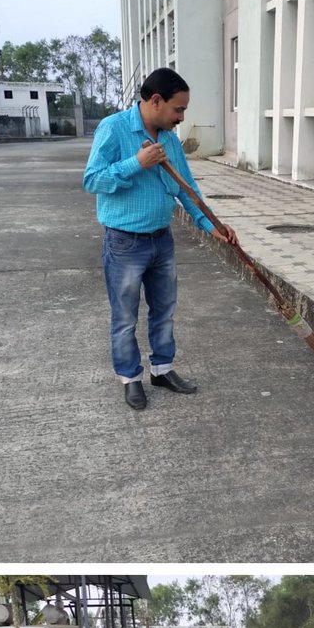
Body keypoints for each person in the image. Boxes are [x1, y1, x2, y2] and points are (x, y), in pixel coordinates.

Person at [83, 67, 238, 411]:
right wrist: (136, 163)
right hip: (124, 244)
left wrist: (209, 223)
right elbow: (92, 180)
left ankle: (162, 370)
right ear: (156, 101)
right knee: (125, 316)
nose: (181, 117)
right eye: (178, 109)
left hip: (162, 241)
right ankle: (130, 378)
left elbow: (186, 187)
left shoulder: (168, 138)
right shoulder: (114, 129)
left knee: (164, 311)